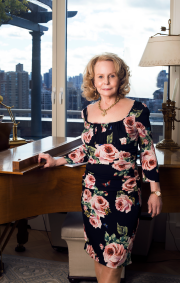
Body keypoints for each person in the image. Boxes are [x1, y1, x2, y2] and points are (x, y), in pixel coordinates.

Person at [38, 53, 163, 283]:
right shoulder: (87, 111)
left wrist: (155, 191)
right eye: (100, 76)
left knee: (115, 258)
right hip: (92, 194)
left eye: (111, 75)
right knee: (98, 253)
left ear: (120, 77)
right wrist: (57, 161)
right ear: (93, 81)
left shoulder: (138, 110)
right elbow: (88, 149)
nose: (106, 82)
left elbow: (148, 153)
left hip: (124, 195)